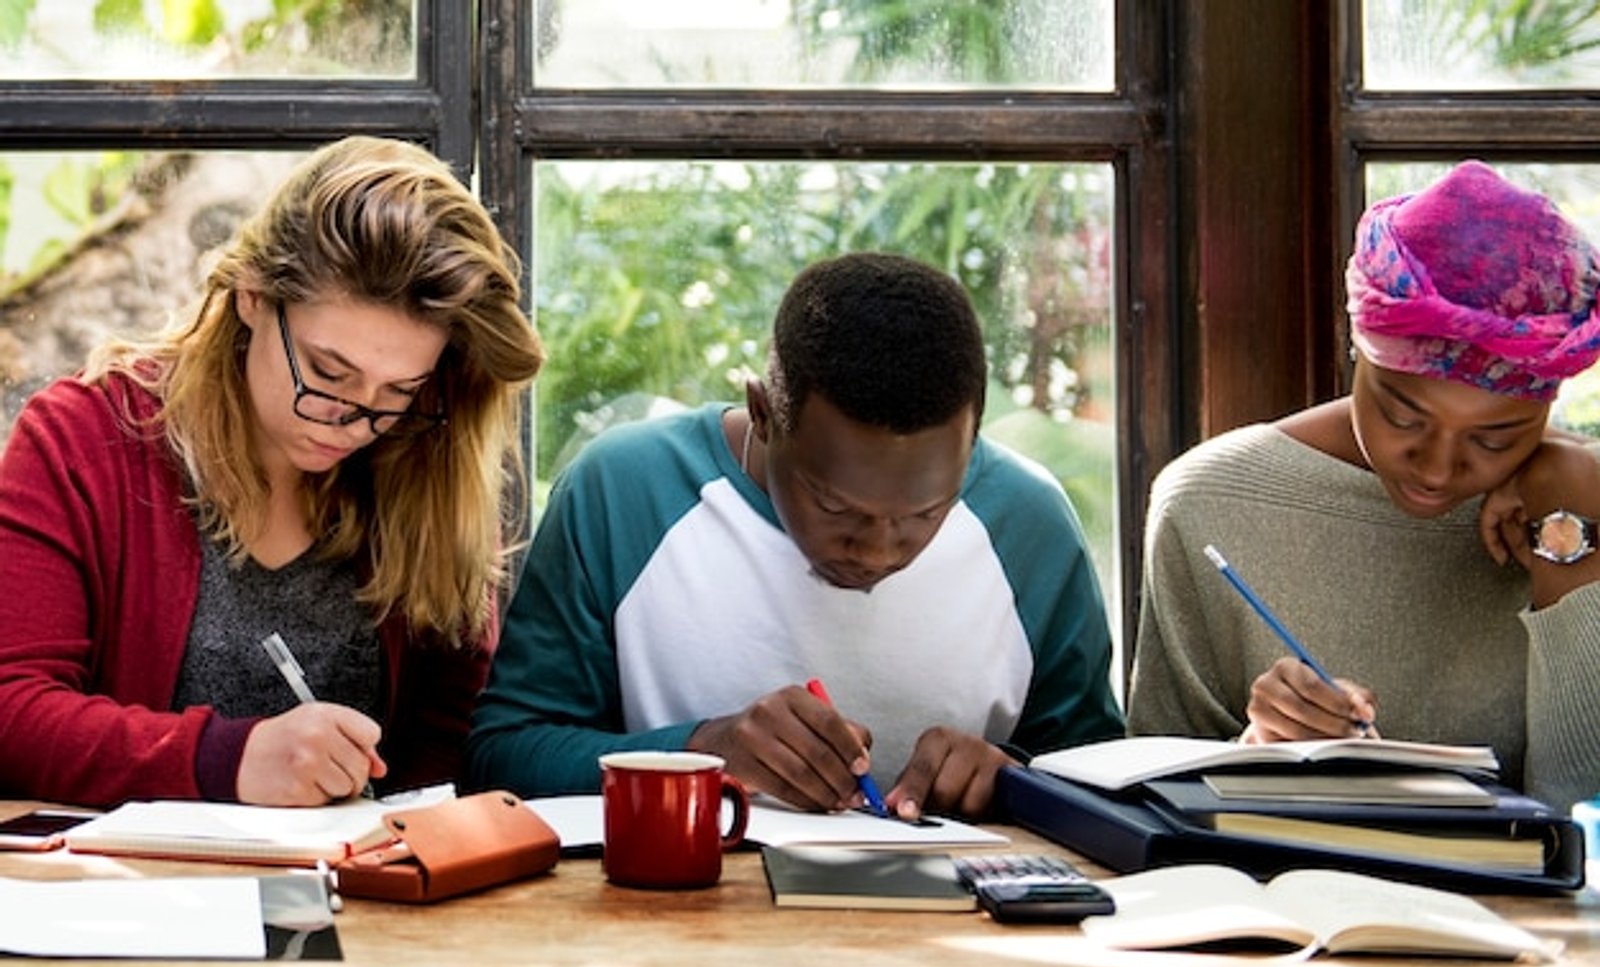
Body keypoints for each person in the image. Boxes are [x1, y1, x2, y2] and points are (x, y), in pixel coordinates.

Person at [466, 251, 1124, 820]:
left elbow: (1103, 779)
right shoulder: (626, 491)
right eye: (836, 507)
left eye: (926, 514)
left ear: (973, 440)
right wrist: (703, 750)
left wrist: (1010, 777)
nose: (877, 551)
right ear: (763, 413)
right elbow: (502, 755)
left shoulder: (1029, 523)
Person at [0, 136, 546, 808]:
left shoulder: (425, 451)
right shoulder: (85, 440)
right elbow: (11, 710)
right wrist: (224, 759)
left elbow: (451, 738)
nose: (350, 419)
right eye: (327, 371)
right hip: (127, 897)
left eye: (397, 389)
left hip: (374, 895)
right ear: (251, 296)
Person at [1127, 160, 1600, 809]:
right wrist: (1260, 747)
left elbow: (1585, 808)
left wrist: (1572, 534)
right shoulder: (1212, 502)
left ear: (1546, 410)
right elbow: (1146, 801)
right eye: (1403, 416)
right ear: (1360, 349)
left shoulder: (1577, 502)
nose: (1436, 469)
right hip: (1287, 904)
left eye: (1494, 440)